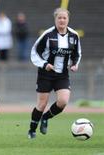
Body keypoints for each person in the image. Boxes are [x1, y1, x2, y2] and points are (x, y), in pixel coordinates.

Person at [28, 8, 82, 139]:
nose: (62, 20)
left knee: (63, 101)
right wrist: (45, 64)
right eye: (59, 18)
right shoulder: (48, 34)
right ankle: (32, 130)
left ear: (68, 20)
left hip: (62, 74)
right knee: (41, 104)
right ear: (55, 19)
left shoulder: (74, 35)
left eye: (64, 18)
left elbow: (77, 53)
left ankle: (45, 118)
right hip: (45, 74)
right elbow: (34, 52)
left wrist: (75, 64)